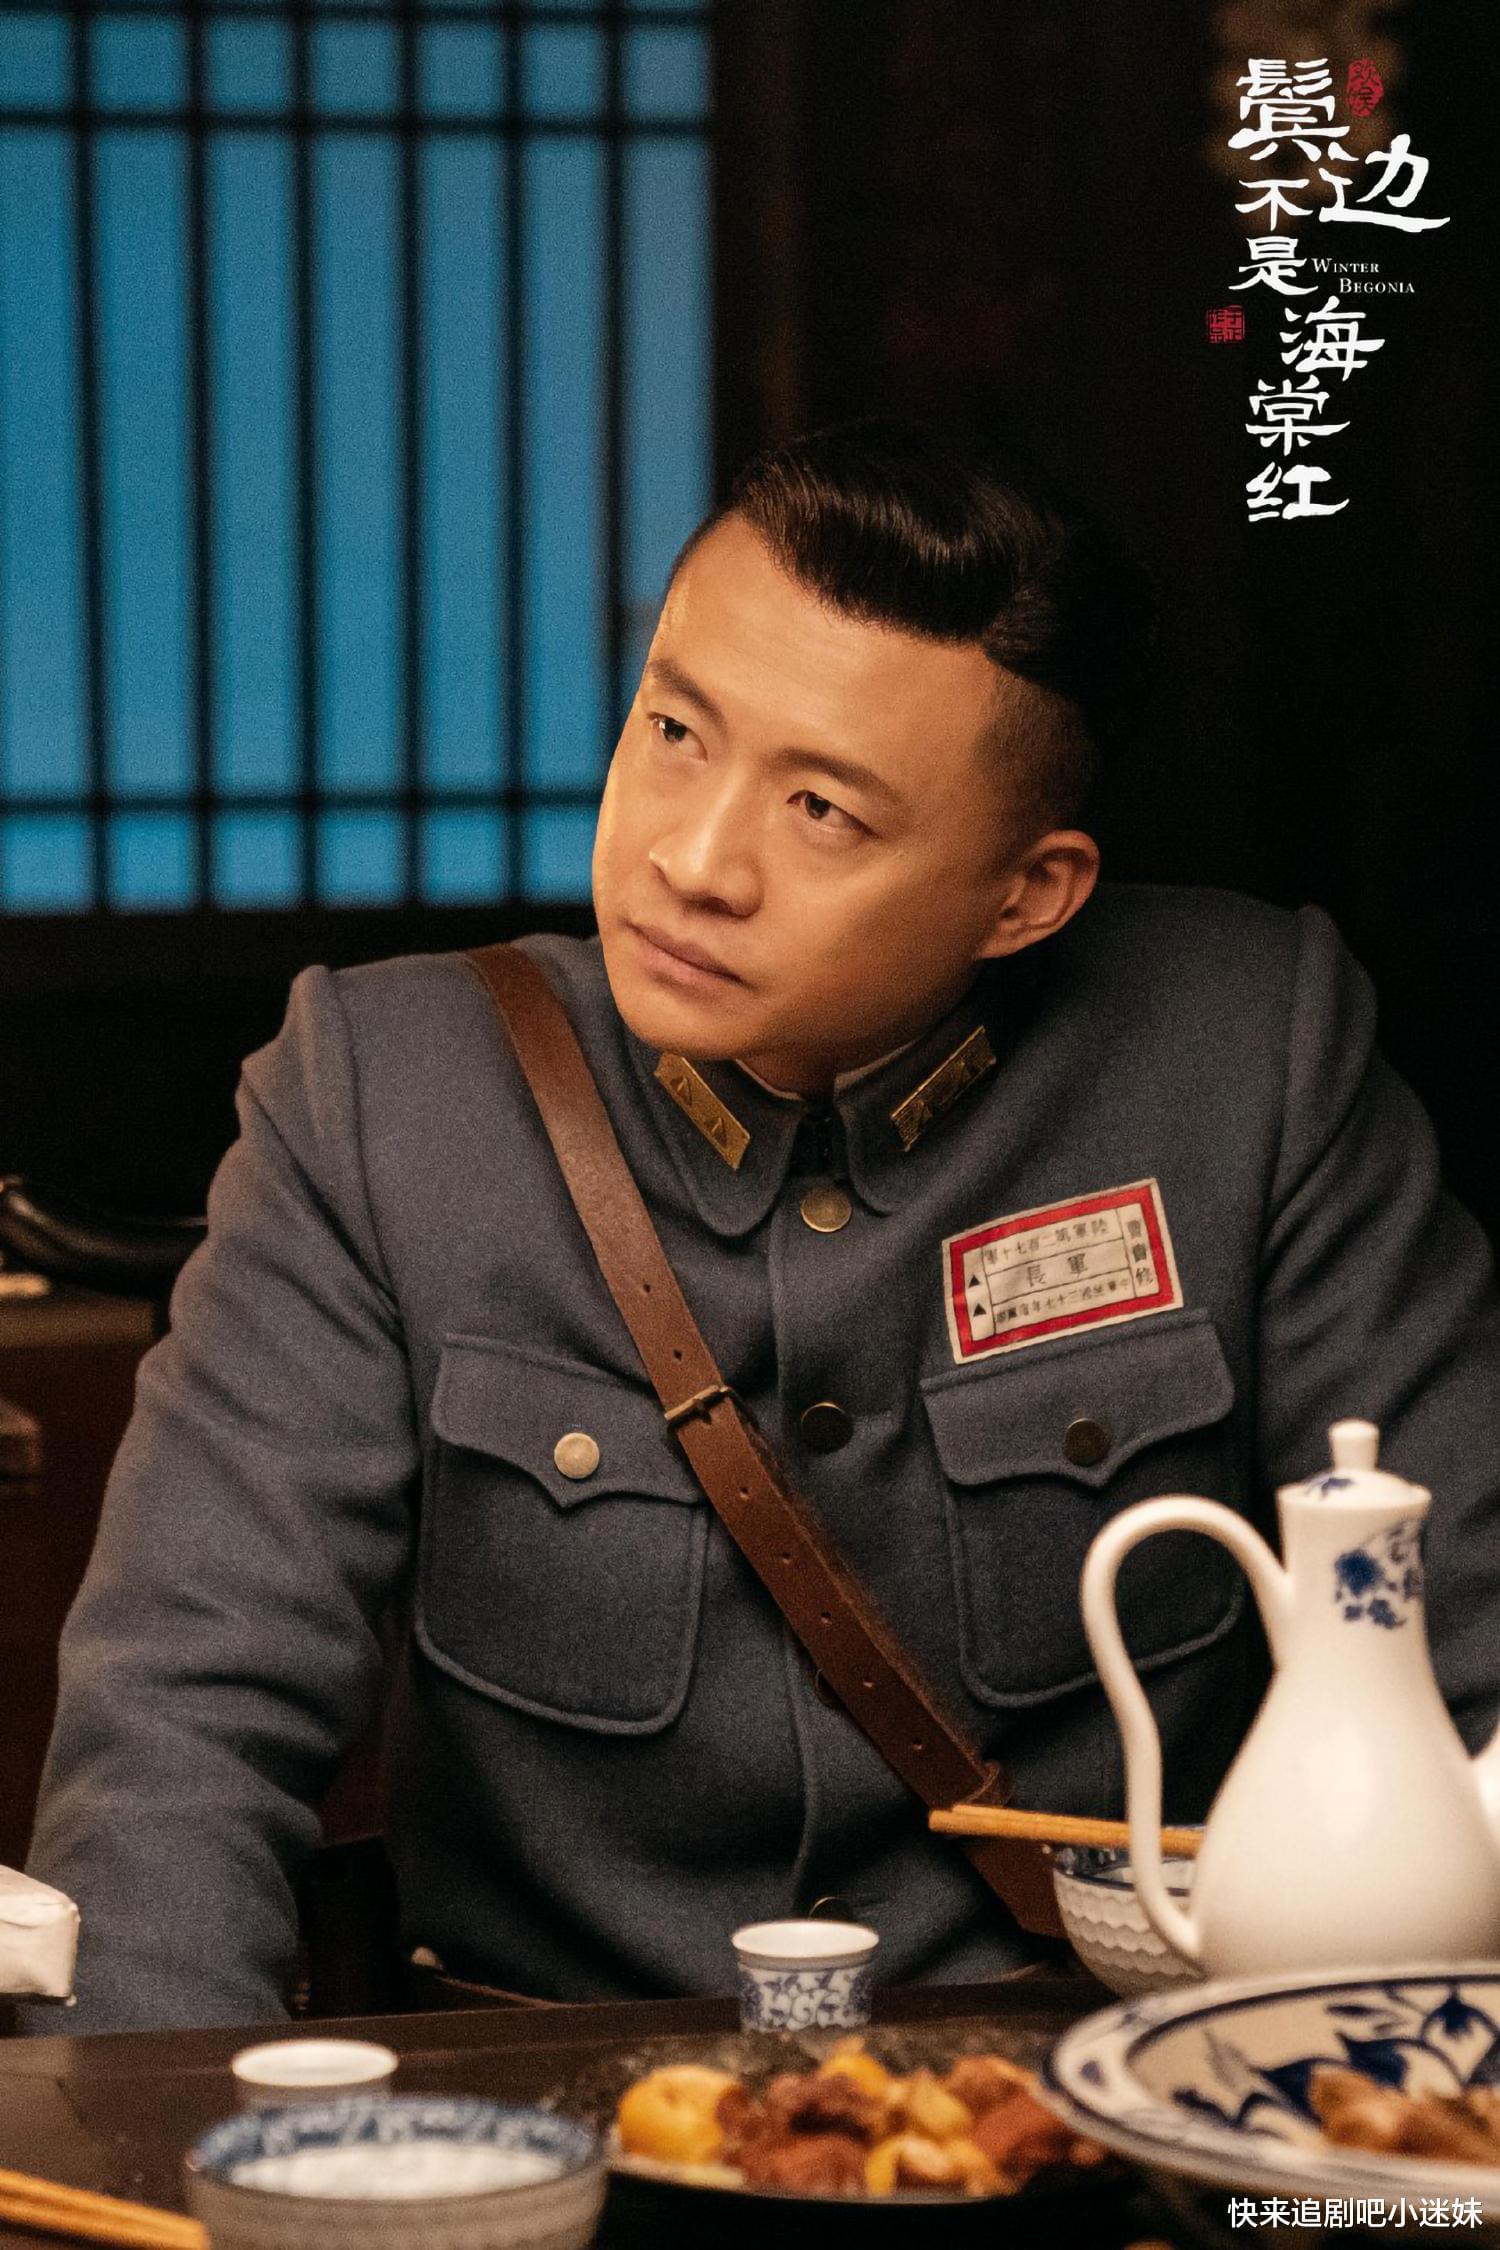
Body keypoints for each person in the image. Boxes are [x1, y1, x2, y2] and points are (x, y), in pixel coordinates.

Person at [23, 418, 1500, 2034]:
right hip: (537, 2101)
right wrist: (150, 2139)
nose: (693, 857)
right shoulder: (384, 1095)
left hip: (1101, 2091)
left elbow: (1472, 1657)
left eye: (822, 810)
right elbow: (186, 1719)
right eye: (674, 728)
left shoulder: (1245, 1060)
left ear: (1030, 892)